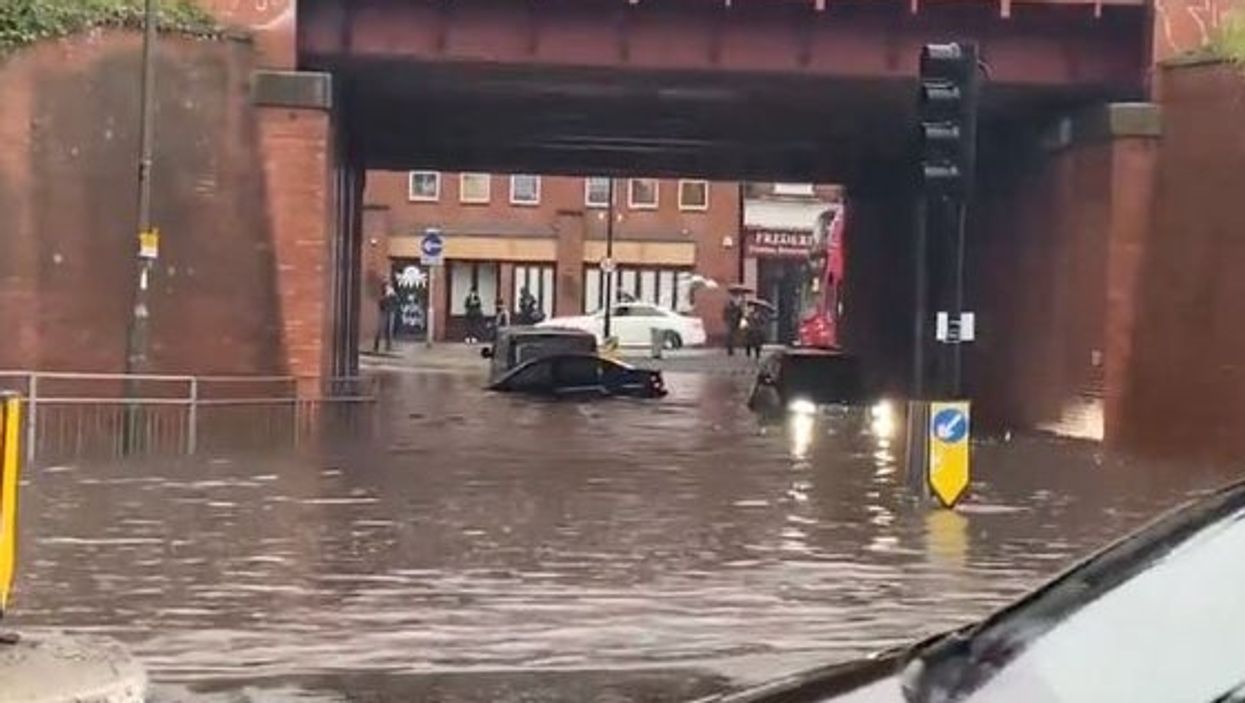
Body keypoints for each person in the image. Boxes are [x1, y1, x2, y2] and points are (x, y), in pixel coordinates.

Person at [372, 280, 397, 353]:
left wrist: (393, 295)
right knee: (380, 329)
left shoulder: (392, 293)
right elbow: (380, 302)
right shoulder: (382, 293)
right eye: (387, 285)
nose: (388, 287)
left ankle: (388, 346)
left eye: (389, 286)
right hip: (383, 312)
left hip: (391, 312)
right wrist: (386, 296)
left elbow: (395, 301)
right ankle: (376, 347)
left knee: (389, 330)